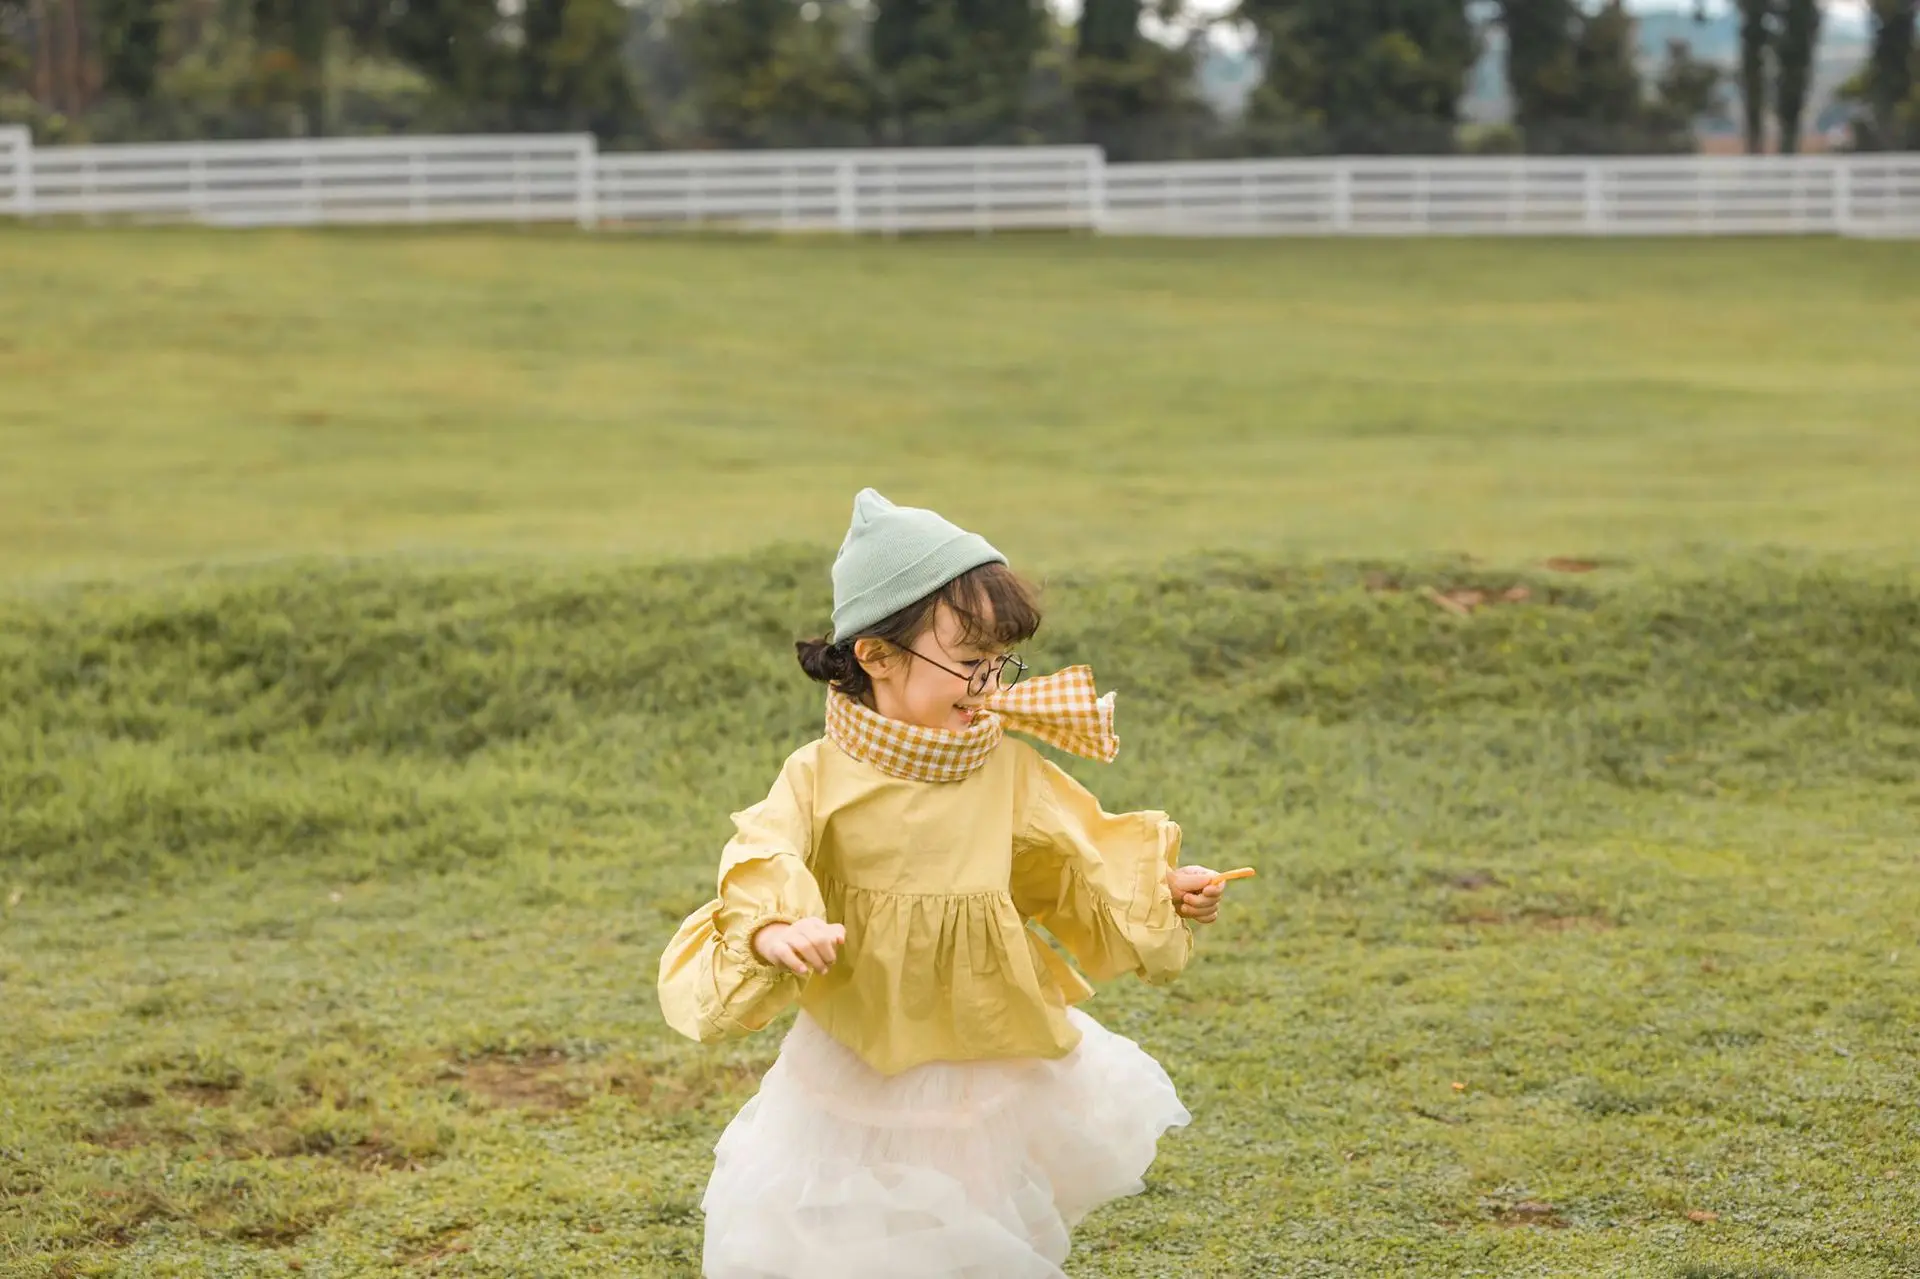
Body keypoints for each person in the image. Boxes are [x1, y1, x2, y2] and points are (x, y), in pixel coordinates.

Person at [658, 488, 1234, 1279]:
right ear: (876, 654)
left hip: (977, 1050)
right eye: (968, 662)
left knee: (968, 1227)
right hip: (858, 1051)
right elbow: (763, 853)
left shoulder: (1003, 765)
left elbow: (1077, 854)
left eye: (999, 661)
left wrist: (1165, 889)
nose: (988, 682)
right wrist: (775, 927)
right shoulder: (819, 774)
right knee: (843, 1231)